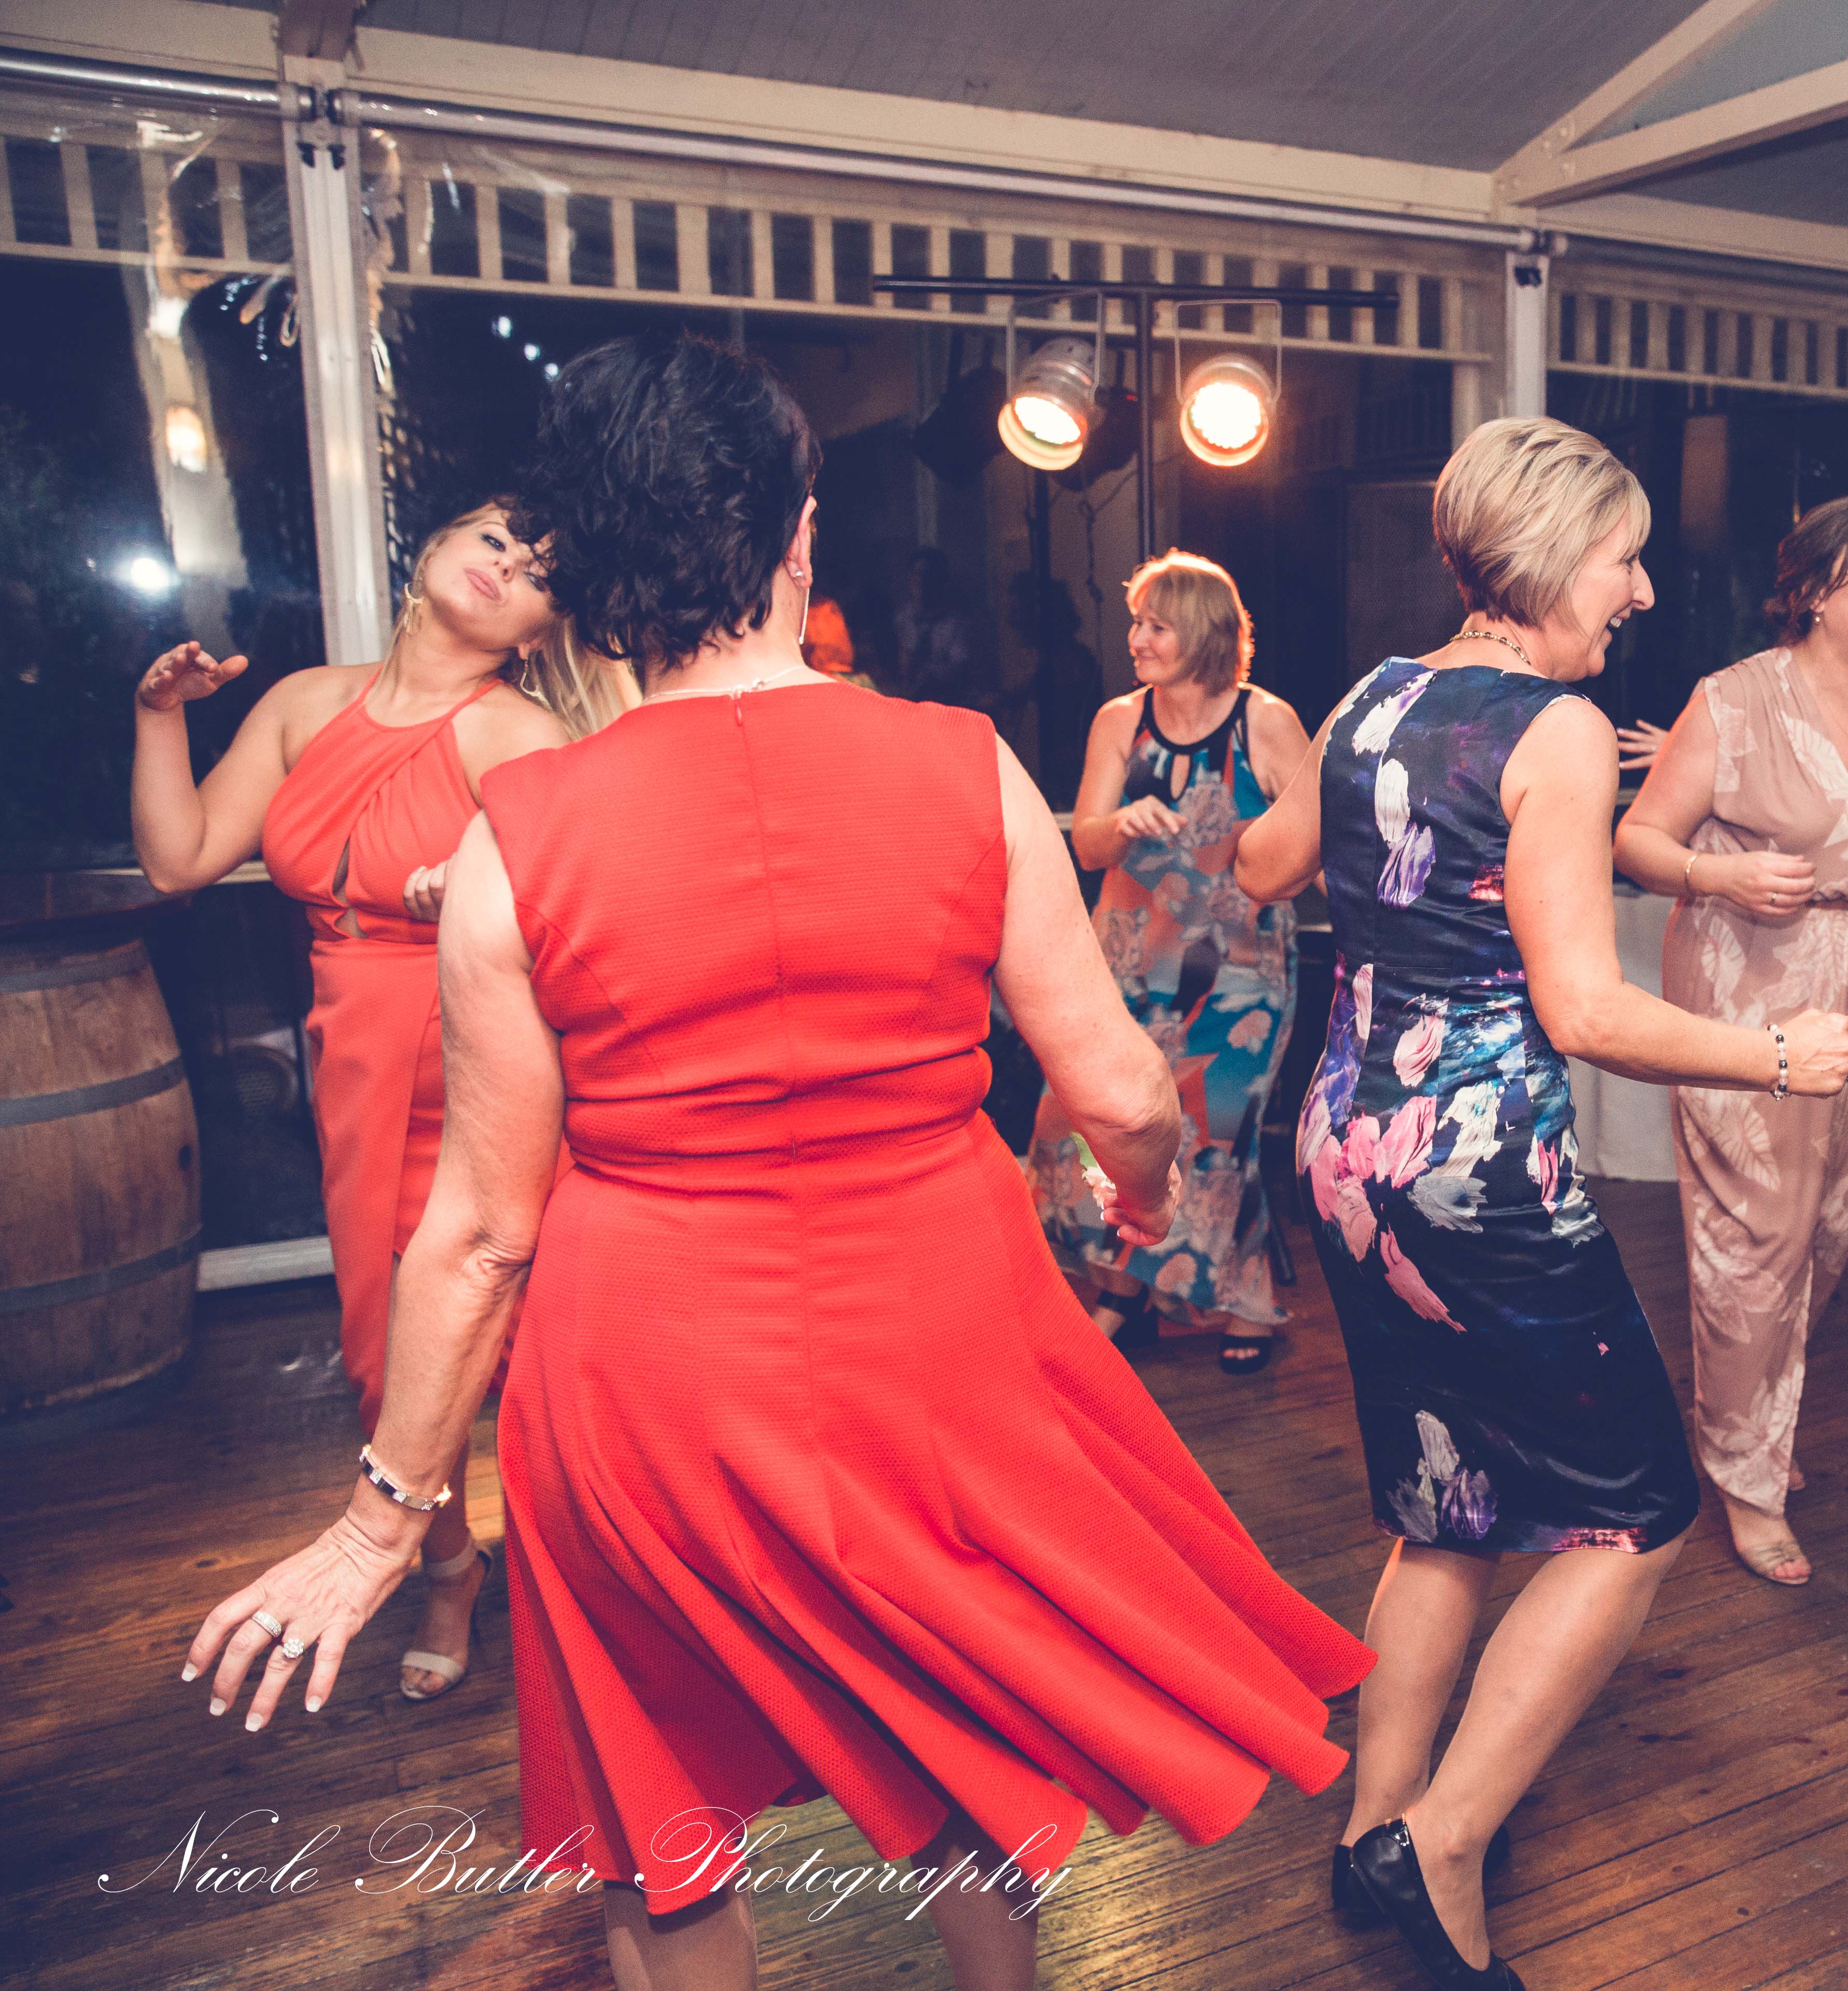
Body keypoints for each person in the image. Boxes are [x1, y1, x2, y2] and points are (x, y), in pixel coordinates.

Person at [182, 333, 1374, 1991]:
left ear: (593, 572)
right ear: (799, 535)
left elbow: (479, 1235)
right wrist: (1154, 1184)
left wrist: (385, 1521)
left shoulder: (517, 840)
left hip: (644, 1370)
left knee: (659, 1810)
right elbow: (1119, 1087)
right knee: (959, 1719)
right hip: (938, 1339)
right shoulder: (964, 764)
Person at [1237, 415, 1848, 1991]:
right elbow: (1581, 1008)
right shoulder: (1557, 729)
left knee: (1441, 1501)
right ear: (1552, 553)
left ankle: (1374, 1830)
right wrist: (1777, 1055)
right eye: (1624, 559)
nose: (1639, 592)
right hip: (1480, 1174)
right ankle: (1445, 1842)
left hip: (1347, 1152)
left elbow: (1266, 864)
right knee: (1637, 1515)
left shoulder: (1374, 694)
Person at [130, 498, 627, 1705]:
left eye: (538, 569)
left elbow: (596, 895)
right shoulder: (305, 704)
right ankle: (447, 1566)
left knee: (540, 1349)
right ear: (434, 547)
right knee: (382, 1352)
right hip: (355, 1052)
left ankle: (587, 1593)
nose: (506, 564)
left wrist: (486, 882)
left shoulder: (518, 732)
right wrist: (159, 718)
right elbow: (179, 859)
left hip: (487, 1059)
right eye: (494, 538)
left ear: (543, 628)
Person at [1609, 496, 1848, 1587]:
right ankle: (1744, 1476)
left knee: (1828, 1227)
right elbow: (1639, 838)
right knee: (1756, 1234)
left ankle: (1750, 1413)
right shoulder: (1735, 700)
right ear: (1815, 595)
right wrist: (1719, 872)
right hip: (1750, 976)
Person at [1033, 551, 1311, 1373]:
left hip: (1240, 976)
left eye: (1156, 625)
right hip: (1126, 965)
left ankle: (1242, 1303)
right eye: (1137, 623)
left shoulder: (1266, 721)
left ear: (1202, 633)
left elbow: (1314, 844)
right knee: (1081, 1123)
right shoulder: (1121, 720)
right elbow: (1086, 844)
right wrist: (1121, 824)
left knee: (1214, 1137)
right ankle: (1122, 1284)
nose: (1137, 639)